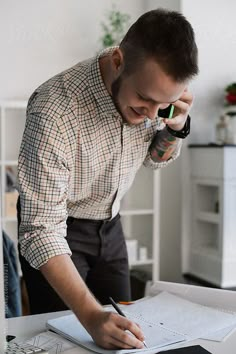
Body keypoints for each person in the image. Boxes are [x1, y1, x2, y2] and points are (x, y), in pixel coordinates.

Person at [17, 8, 198, 350]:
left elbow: (154, 160)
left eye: (164, 105)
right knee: (62, 342)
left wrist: (177, 126)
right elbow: (40, 229)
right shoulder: (54, 110)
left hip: (112, 229)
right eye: (143, 99)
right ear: (118, 60)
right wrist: (90, 315)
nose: (151, 115)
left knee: (128, 339)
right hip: (58, 235)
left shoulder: (156, 98)